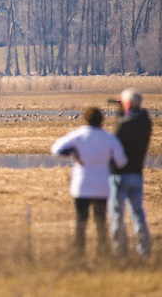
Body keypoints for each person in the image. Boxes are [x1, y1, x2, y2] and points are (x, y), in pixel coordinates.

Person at [51, 107, 127, 256]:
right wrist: (106, 161)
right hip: (102, 186)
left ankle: (79, 254)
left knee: (81, 222)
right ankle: (103, 253)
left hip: (82, 186)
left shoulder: (78, 135)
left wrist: (73, 154)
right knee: (100, 222)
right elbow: (121, 161)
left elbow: (56, 149)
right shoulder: (109, 138)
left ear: (85, 119)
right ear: (101, 120)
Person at [109, 88, 152, 257]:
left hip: (120, 175)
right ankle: (144, 251)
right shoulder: (146, 123)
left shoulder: (124, 124)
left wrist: (120, 114)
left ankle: (120, 252)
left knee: (117, 215)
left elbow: (115, 145)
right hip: (137, 174)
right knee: (137, 213)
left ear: (129, 104)